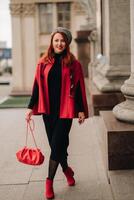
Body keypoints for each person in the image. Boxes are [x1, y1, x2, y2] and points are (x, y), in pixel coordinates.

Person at [25, 27, 89, 199]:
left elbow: (79, 89)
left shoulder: (74, 64)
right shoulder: (43, 63)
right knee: (58, 146)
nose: (59, 43)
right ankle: (67, 170)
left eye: (62, 41)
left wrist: (81, 109)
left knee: (56, 146)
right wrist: (30, 107)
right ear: (52, 42)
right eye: (56, 40)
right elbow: (37, 86)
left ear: (67, 43)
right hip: (48, 111)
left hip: (65, 111)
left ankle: (49, 183)